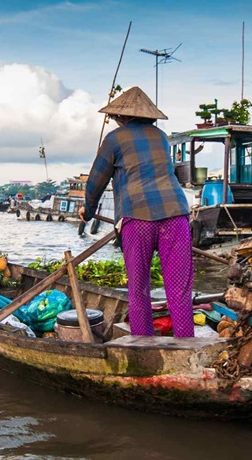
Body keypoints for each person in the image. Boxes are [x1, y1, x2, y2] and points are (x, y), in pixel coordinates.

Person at [79, 86, 194, 338]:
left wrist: (88, 212)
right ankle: (186, 343)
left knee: (139, 288)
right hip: (176, 214)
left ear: (121, 116)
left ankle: (143, 342)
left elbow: (96, 181)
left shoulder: (114, 139)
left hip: (138, 217)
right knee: (179, 288)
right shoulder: (161, 137)